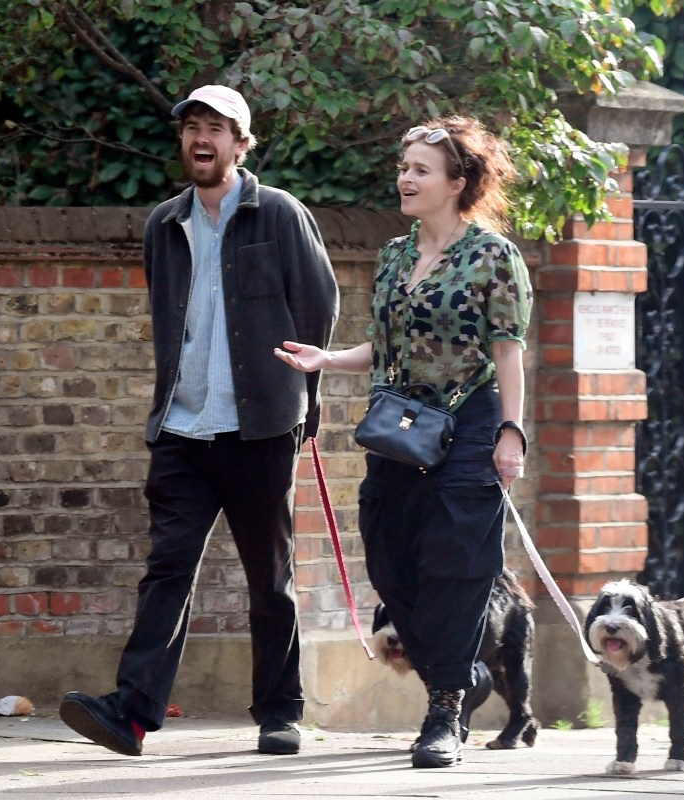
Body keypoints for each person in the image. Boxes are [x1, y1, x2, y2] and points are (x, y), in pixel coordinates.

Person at [59, 85, 339, 757]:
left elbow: (317, 309)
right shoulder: (164, 224)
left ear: (242, 144)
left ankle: (280, 711)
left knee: (269, 578)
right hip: (182, 429)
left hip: (260, 428)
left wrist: (306, 405)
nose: (201, 137)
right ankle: (130, 712)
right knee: (166, 570)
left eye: (216, 127)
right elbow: (170, 315)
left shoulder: (279, 215)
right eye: (191, 126)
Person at [275, 116, 533, 768]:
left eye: (420, 168)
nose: (405, 178)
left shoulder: (491, 257)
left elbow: (506, 352)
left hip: (469, 422)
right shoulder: (393, 255)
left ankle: (444, 710)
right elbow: (386, 349)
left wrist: (511, 432)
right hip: (398, 426)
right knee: (390, 564)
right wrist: (326, 361)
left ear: (457, 181)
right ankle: (457, 674)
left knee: (456, 567)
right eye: (403, 166)